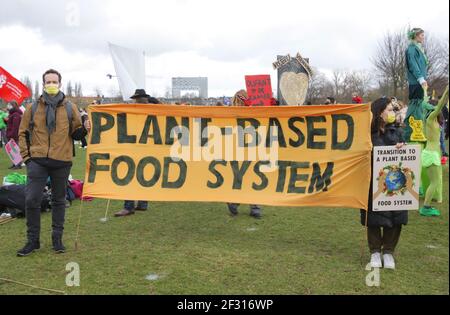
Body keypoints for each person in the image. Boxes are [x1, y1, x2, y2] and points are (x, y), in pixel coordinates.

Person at [16, 69, 90, 256]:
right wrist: (27, 158)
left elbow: (75, 133)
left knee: (59, 200)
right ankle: (33, 240)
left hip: (62, 161)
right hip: (37, 161)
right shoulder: (32, 108)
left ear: (60, 83)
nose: (51, 84)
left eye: (54, 81)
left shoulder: (69, 107)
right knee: (32, 198)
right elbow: (23, 133)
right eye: (48, 82)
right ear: (43, 84)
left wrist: (85, 129)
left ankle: (57, 239)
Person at [361, 97, 408, 269]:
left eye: (393, 110)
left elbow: (406, 157)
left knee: (396, 217)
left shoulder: (397, 132)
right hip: (373, 184)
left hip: (395, 185)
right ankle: (374, 252)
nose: (392, 113)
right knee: (373, 218)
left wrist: (402, 148)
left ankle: (388, 252)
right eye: (389, 109)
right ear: (379, 112)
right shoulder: (367, 135)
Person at [114, 89, 159, 217]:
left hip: (138, 148)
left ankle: (129, 206)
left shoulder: (138, 111)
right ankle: (142, 203)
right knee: (143, 175)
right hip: (147, 148)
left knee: (131, 175)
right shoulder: (154, 109)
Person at [225, 90, 262, 219]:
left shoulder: (253, 111)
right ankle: (252, 206)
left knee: (241, 177)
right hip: (239, 149)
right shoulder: (230, 112)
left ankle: (236, 203)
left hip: (246, 149)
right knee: (247, 176)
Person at [419, 86, 448, 216]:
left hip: (432, 153)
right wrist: (446, 91)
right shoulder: (431, 117)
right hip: (430, 154)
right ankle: (426, 207)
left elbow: (424, 100)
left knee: (435, 182)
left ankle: (427, 206)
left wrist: (425, 90)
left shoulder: (431, 119)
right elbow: (441, 104)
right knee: (435, 182)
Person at [403, 27, 429, 142]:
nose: (423, 37)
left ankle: (417, 132)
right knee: (415, 106)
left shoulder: (418, 48)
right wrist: (420, 78)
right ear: (416, 36)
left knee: (419, 106)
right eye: (422, 35)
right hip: (416, 82)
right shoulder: (411, 49)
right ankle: (409, 133)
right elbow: (413, 65)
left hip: (419, 81)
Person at [5, 101, 23, 169]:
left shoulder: (16, 114)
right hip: (11, 135)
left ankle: (18, 164)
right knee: (12, 151)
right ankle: (14, 163)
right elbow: (10, 124)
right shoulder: (12, 114)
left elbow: (15, 127)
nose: (8, 106)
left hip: (14, 136)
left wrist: (13, 136)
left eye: (9, 105)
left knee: (16, 150)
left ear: (13, 105)